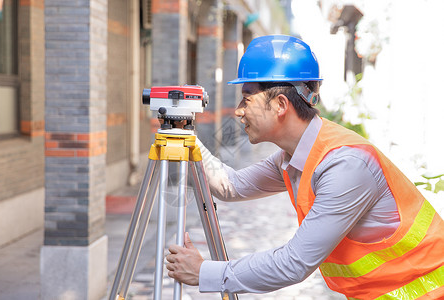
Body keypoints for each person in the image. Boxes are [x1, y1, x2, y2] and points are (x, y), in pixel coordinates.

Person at [165, 35, 444, 299]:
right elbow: (232, 186)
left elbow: (294, 263)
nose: (238, 110)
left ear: (280, 105)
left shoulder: (344, 166)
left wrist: (204, 272)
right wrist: (185, 136)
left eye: (247, 98)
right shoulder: (294, 155)